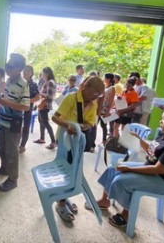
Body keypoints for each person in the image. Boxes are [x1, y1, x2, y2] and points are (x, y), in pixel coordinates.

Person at [90, 106, 164, 229]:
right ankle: (104, 200)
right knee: (113, 168)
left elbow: (159, 169)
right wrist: (138, 139)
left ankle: (126, 215)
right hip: (151, 168)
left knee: (121, 181)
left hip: (163, 181)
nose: (161, 121)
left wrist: (129, 169)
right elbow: (151, 151)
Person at [52, 76, 105, 222]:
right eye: (93, 94)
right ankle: (61, 202)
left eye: (98, 95)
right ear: (84, 87)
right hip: (65, 141)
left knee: (73, 171)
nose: (94, 98)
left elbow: (90, 122)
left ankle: (64, 196)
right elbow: (55, 118)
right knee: (66, 171)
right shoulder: (71, 98)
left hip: (78, 142)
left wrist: (83, 127)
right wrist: (67, 125)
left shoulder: (93, 103)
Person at [0, 53, 30, 192]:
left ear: (19, 68)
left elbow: (26, 106)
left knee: (12, 152)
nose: (7, 68)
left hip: (13, 124)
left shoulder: (23, 84)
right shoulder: (8, 81)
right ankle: (4, 168)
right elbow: (7, 99)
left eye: (10, 66)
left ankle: (13, 179)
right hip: (3, 120)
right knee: (3, 148)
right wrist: (0, 98)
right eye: (6, 65)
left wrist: (6, 101)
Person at [33, 67, 57, 149]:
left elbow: (49, 96)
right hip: (42, 105)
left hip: (45, 105)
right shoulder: (49, 81)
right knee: (41, 121)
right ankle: (42, 138)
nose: (43, 75)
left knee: (46, 123)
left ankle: (53, 142)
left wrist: (40, 94)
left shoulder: (50, 82)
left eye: (44, 73)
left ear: (47, 73)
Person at [19, 65, 40, 153]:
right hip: (18, 109)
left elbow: (38, 97)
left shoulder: (33, 84)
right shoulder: (19, 82)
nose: (25, 72)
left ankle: (23, 145)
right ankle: (16, 143)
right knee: (17, 126)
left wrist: (27, 101)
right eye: (24, 70)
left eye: (28, 71)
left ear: (31, 73)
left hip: (27, 109)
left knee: (26, 127)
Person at [98, 73, 116, 144]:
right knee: (100, 124)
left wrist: (108, 110)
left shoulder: (112, 88)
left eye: (104, 77)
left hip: (105, 108)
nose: (103, 78)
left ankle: (104, 140)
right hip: (101, 107)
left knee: (103, 125)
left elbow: (111, 100)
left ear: (108, 79)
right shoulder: (105, 87)